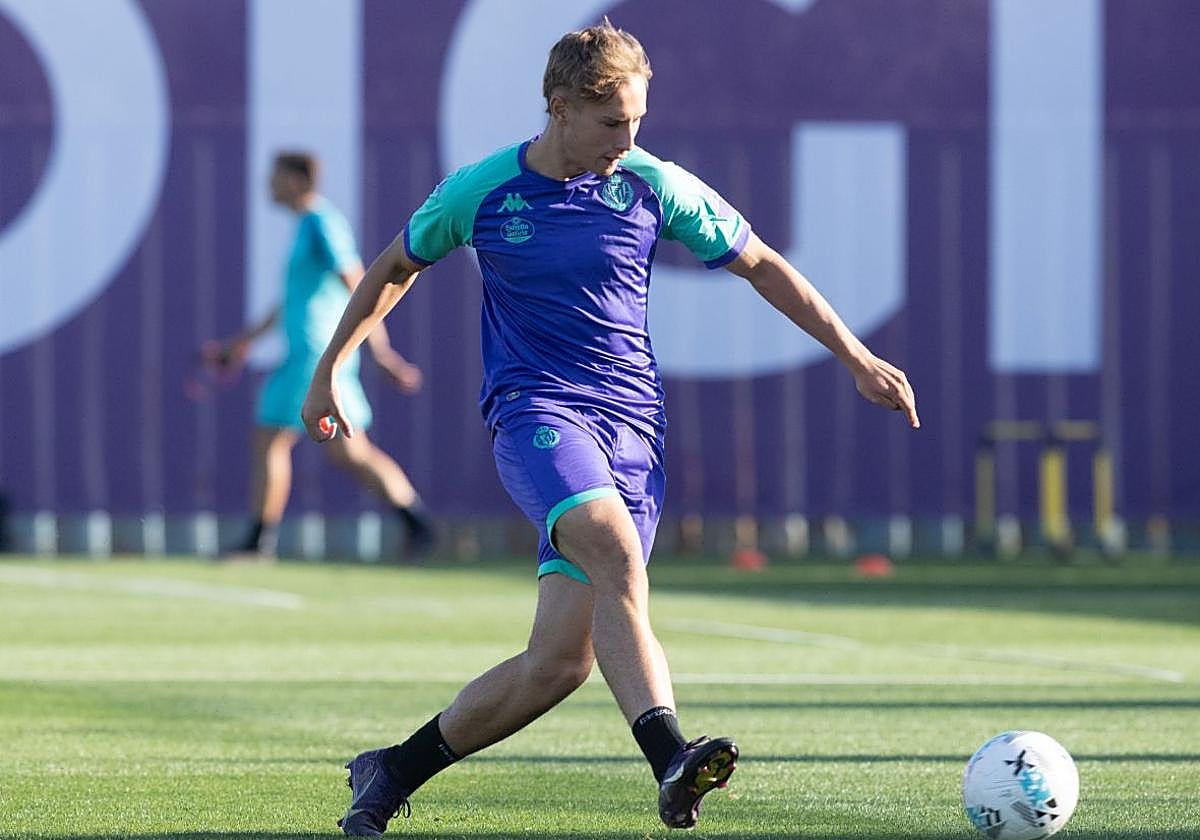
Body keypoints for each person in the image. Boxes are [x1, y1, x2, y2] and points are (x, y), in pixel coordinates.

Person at [302, 21, 919, 836]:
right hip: (537, 413)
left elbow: (761, 261)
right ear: (559, 108)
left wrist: (855, 355)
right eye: (612, 123)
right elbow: (394, 267)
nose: (627, 141)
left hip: (634, 435)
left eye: (638, 122)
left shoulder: (652, 184)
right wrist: (329, 369)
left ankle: (390, 770)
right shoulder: (482, 191)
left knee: (560, 663)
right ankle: (669, 755)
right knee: (614, 550)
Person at [212, 152, 435, 562]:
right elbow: (290, 303)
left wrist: (381, 350)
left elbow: (361, 282)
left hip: (315, 357)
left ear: (297, 181)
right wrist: (241, 343)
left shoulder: (320, 222)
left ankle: (258, 542)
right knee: (349, 452)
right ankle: (416, 523)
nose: (269, 185)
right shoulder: (305, 226)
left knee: (269, 439)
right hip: (310, 355)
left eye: (276, 177)